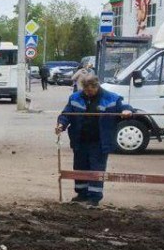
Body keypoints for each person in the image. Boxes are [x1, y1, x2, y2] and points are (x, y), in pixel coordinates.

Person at [55, 74, 133, 207]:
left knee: (96, 168)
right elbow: (66, 114)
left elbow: (124, 107)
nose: (87, 93)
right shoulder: (75, 97)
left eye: (90, 90)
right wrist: (61, 125)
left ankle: (94, 197)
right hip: (80, 140)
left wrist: (126, 111)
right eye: (85, 90)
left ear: (96, 86)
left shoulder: (111, 98)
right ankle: (82, 193)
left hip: (100, 142)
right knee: (80, 167)